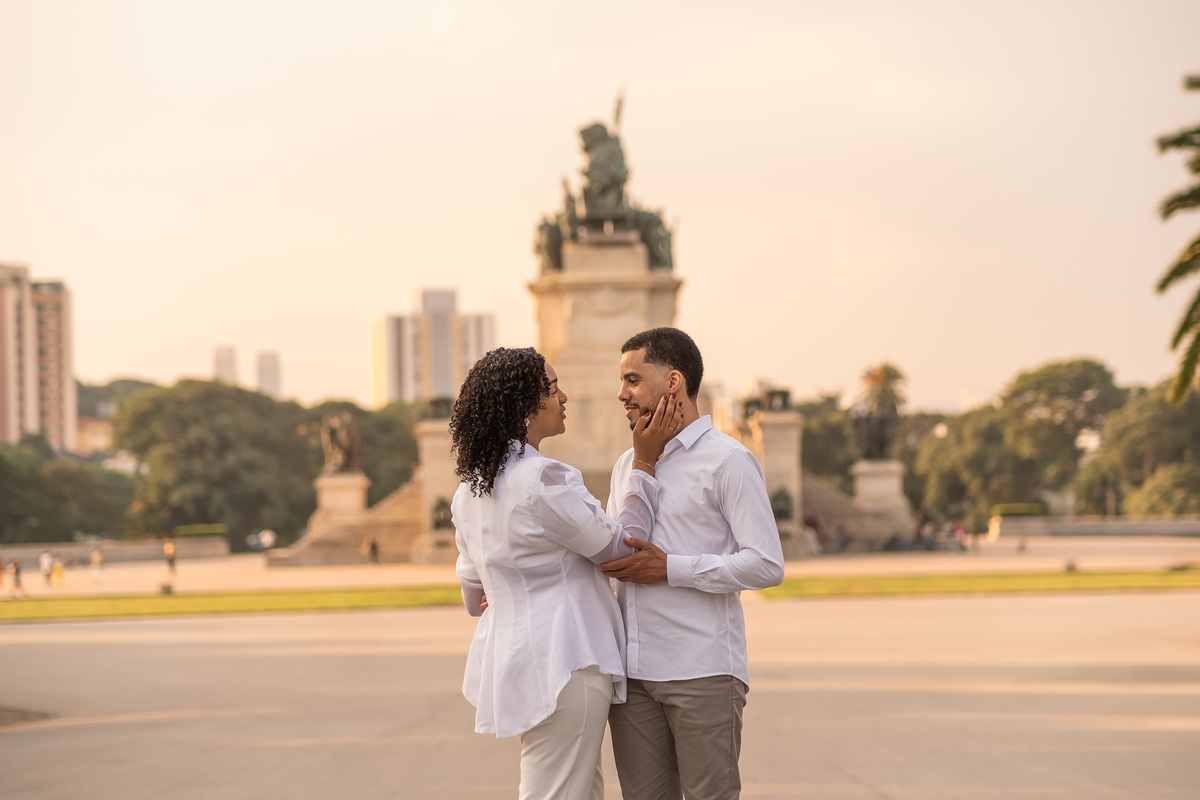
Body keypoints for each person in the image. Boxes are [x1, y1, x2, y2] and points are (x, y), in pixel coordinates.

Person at [450, 346, 681, 800]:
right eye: (553, 389)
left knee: (573, 789)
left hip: (516, 656)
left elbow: (472, 595)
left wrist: (511, 583)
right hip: (566, 658)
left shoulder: (468, 492)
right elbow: (621, 549)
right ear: (523, 406)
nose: (564, 397)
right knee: (558, 792)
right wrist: (644, 465)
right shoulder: (543, 479)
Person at [600, 327, 785, 800]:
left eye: (633, 380)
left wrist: (672, 568)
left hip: (702, 670)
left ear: (673, 382)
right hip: (633, 675)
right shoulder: (627, 465)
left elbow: (766, 564)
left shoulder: (729, 461)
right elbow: (613, 551)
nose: (621, 394)